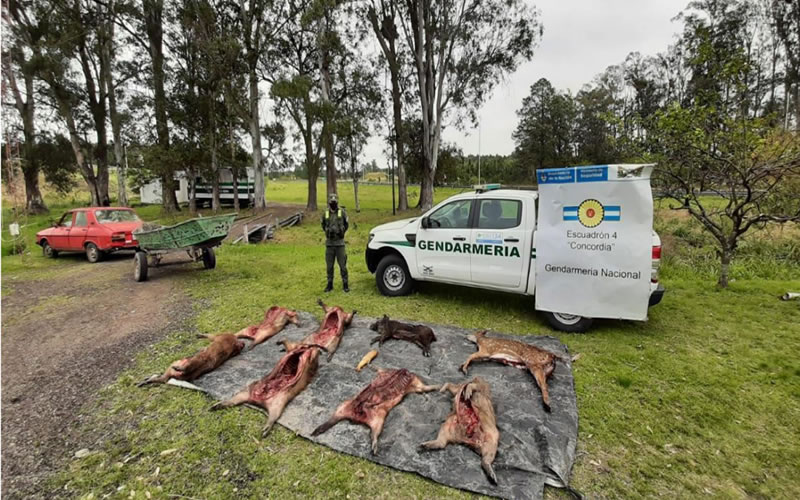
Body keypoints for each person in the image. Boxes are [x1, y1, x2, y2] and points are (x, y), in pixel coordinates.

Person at [321, 193, 349, 292]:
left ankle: (345, 284)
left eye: (334, 202)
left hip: (340, 244)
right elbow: (323, 225)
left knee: (343, 266)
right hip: (329, 244)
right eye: (331, 202)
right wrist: (328, 232)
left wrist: (341, 232)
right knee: (329, 266)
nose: (333, 203)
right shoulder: (325, 213)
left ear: (337, 202)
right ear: (329, 202)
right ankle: (330, 284)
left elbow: (346, 224)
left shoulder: (342, 212)